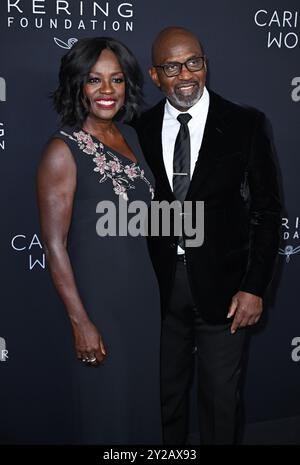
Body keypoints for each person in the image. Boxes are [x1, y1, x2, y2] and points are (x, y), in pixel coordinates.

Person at [133, 26, 281, 444]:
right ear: (155, 74)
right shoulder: (135, 129)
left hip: (226, 288)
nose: (185, 75)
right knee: (164, 401)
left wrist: (254, 287)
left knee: (221, 403)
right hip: (155, 289)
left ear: (206, 65)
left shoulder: (245, 123)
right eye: (172, 66)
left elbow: (267, 212)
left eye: (193, 62)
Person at [36, 37, 162, 444]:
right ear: (78, 85)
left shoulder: (131, 136)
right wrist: (81, 321)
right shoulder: (63, 149)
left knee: (140, 405)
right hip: (98, 302)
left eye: (117, 80)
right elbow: (54, 245)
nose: (108, 91)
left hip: (142, 294)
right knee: (107, 409)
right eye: (95, 80)